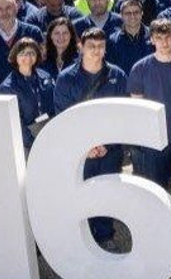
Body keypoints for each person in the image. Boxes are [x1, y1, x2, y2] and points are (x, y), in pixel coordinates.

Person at [52, 28, 130, 251]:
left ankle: (106, 236)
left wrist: (108, 144)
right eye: (91, 46)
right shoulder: (67, 78)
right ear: (80, 47)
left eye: (100, 46)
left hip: (109, 149)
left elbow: (122, 113)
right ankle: (84, 239)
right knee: (81, 194)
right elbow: (64, 115)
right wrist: (84, 147)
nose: (96, 51)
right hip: (80, 151)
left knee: (106, 193)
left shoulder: (117, 75)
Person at [126, 19, 171, 187]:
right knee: (157, 189)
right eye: (159, 37)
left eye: (168, 36)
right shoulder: (140, 69)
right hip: (155, 140)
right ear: (151, 39)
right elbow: (138, 110)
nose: (164, 42)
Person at [0, 37, 53, 151]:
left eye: (31, 53)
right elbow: (14, 122)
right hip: (25, 141)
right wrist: (31, 143)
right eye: (22, 53)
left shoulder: (45, 76)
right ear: (15, 56)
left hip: (48, 132)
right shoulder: (7, 87)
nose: (27, 57)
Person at [107, 0, 153, 74]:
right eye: (128, 13)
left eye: (136, 12)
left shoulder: (153, 36)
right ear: (121, 15)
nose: (132, 16)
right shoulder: (112, 40)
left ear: (142, 13)